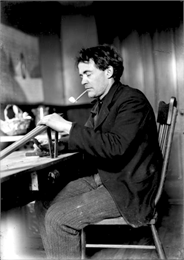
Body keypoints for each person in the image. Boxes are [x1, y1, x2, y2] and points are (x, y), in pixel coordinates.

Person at [34, 44, 162, 259]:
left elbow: (115, 147)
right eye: (81, 75)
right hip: (107, 177)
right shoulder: (104, 102)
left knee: (57, 218)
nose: (82, 80)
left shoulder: (131, 100)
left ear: (109, 72)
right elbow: (91, 138)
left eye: (88, 73)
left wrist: (67, 126)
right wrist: (55, 145)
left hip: (128, 187)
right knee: (44, 204)